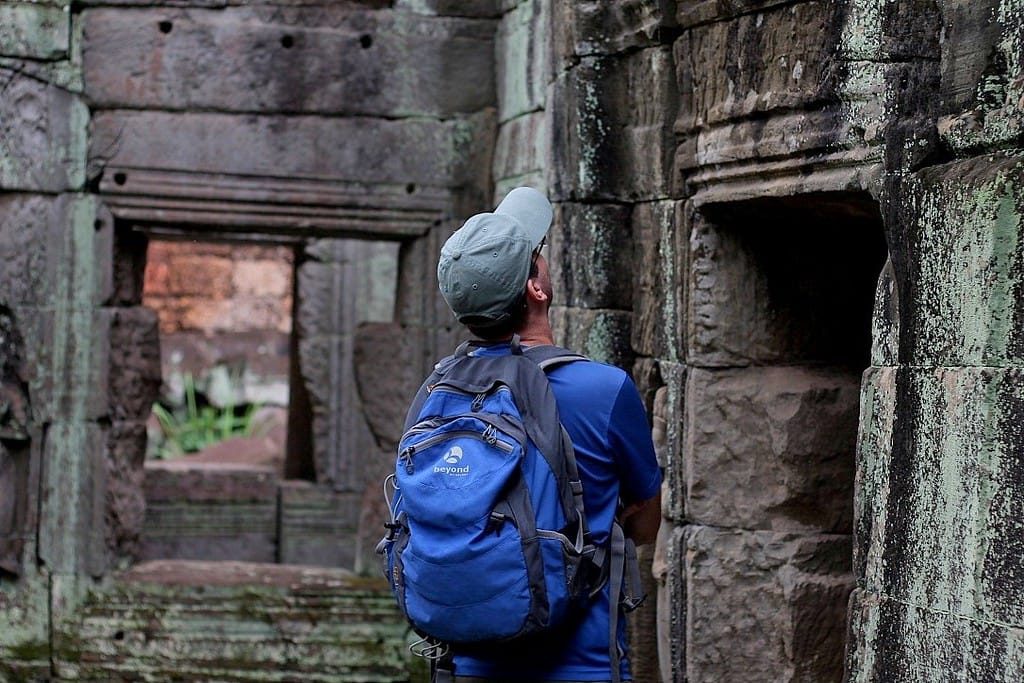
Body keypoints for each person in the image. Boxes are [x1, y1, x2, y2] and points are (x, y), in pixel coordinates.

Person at [433, 186, 662, 682]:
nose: (544, 256)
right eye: (537, 254)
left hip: (468, 667)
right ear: (536, 289)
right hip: (581, 666)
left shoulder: (439, 395)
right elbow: (646, 525)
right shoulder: (603, 390)